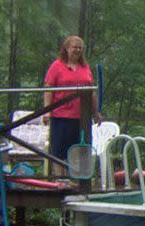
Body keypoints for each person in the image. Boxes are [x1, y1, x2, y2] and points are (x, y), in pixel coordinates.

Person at [42, 35, 102, 177]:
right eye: (74, 47)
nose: (77, 50)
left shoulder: (85, 68)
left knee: (80, 148)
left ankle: (78, 179)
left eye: (80, 47)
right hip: (61, 115)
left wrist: (96, 112)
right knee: (59, 149)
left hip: (81, 116)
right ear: (67, 48)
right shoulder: (57, 66)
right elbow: (48, 88)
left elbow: (91, 91)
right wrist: (47, 111)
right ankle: (60, 179)